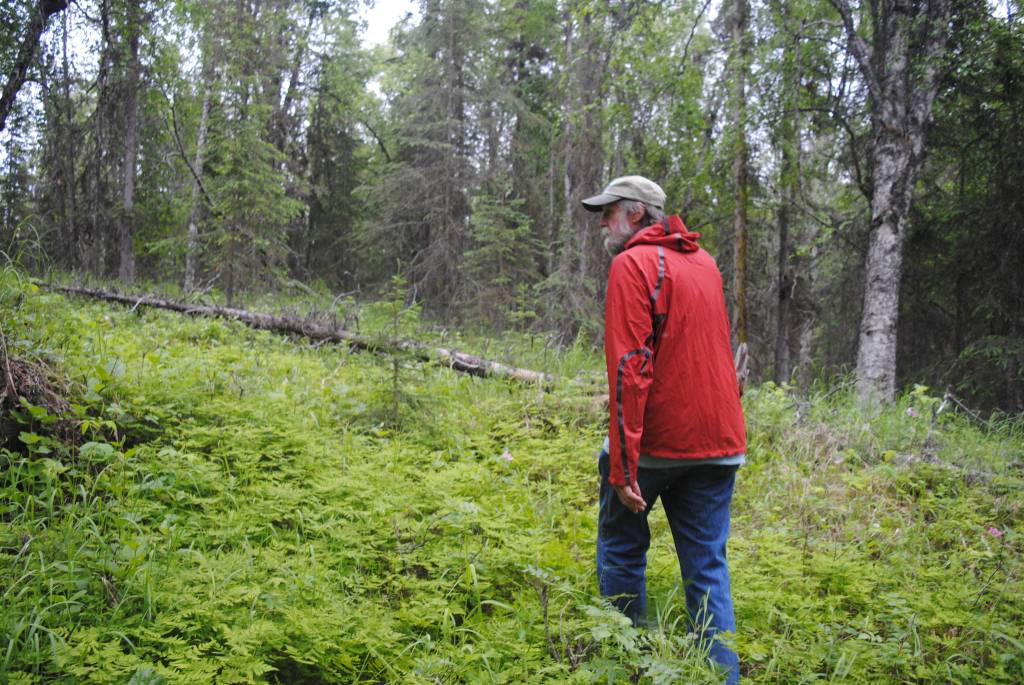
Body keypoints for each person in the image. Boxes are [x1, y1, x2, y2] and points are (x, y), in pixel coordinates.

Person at [583, 175, 746, 684]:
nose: (602, 223)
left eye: (608, 212)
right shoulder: (704, 263)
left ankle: (626, 664)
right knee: (707, 568)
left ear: (636, 215)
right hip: (720, 444)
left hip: (656, 445)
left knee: (621, 544)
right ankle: (724, 678)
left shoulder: (631, 263)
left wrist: (626, 467)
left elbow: (631, 366)